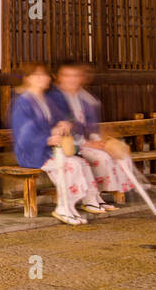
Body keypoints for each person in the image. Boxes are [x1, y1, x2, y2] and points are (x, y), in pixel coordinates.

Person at [8, 63, 104, 225]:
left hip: (49, 149)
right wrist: (47, 139)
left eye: (44, 75)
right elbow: (24, 131)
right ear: (28, 79)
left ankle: (71, 206)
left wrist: (63, 125)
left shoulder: (45, 100)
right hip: (33, 152)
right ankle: (62, 206)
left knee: (81, 163)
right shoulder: (23, 102)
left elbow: (63, 118)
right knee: (71, 164)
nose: (44, 78)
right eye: (38, 75)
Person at [48, 61, 131, 208]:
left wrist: (97, 140)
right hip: (65, 144)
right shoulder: (54, 98)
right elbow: (61, 126)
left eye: (75, 76)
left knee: (114, 156)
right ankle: (89, 198)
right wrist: (88, 143)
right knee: (100, 158)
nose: (71, 79)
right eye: (67, 76)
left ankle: (95, 195)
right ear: (59, 77)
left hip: (83, 142)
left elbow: (91, 125)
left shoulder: (83, 98)